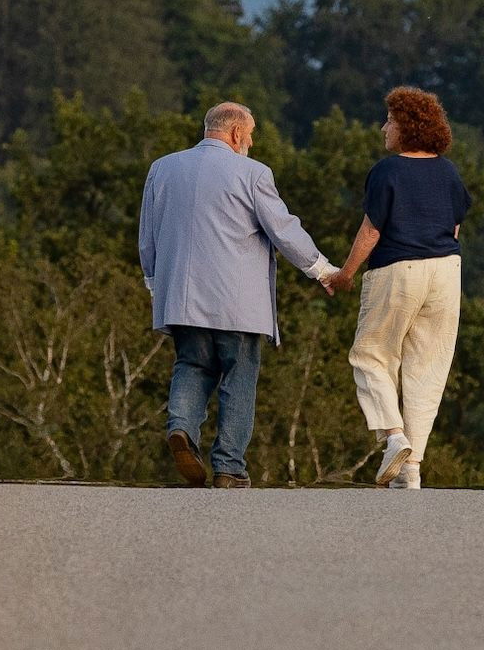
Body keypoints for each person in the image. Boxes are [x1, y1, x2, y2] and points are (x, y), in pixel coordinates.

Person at [136, 101, 340, 487]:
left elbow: (147, 236)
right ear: (235, 133)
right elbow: (284, 230)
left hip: (181, 297)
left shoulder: (162, 168)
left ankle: (181, 429)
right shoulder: (253, 173)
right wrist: (323, 271)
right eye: (251, 134)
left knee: (191, 365)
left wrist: (154, 285)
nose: (252, 142)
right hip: (238, 303)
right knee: (239, 376)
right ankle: (229, 468)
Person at [331, 85, 469, 489]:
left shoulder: (387, 171)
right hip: (446, 272)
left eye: (389, 121)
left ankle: (393, 437)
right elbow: (455, 227)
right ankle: (411, 470)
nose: (383, 128)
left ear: (408, 127)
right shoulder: (449, 172)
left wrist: (345, 273)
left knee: (370, 356)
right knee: (428, 369)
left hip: (397, 270)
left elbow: (371, 231)